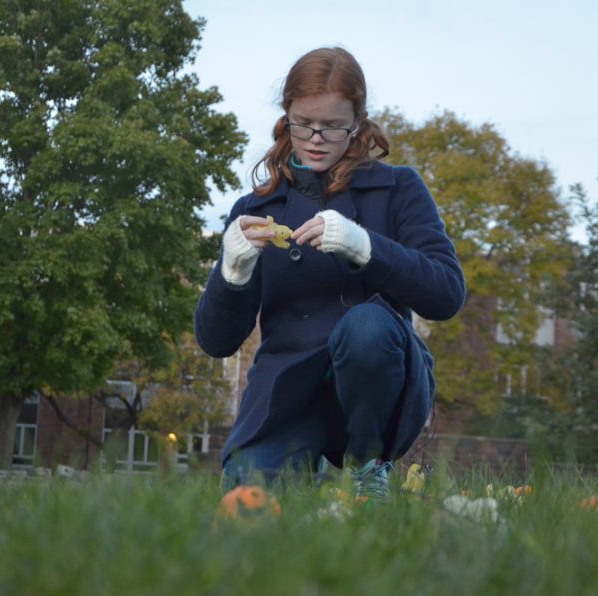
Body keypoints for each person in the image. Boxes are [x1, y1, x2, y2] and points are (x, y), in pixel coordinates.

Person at [195, 47, 465, 499]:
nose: (316, 138)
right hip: (286, 386)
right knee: (249, 503)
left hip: (371, 377)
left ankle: (367, 469)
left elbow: (447, 294)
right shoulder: (254, 210)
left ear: (357, 121)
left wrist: (365, 247)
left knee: (365, 326)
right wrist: (233, 270)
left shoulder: (398, 189)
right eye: (303, 123)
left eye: (333, 125)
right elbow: (216, 342)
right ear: (287, 117)